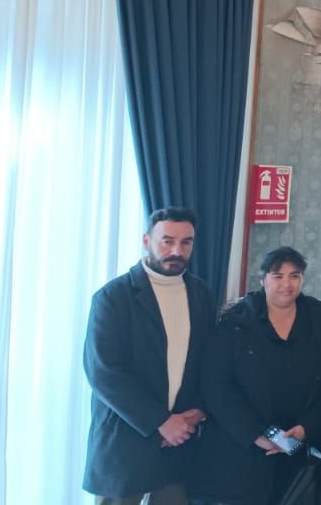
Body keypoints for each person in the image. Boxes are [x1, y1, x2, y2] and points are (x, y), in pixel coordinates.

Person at [83, 207, 216, 505]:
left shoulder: (202, 295)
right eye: (167, 241)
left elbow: (209, 361)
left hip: (180, 441)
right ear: (147, 241)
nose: (177, 251)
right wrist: (160, 421)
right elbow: (103, 372)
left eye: (186, 242)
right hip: (125, 440)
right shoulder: (113, 296)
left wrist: (199, 410)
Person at [198, 246, 321, 505]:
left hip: (301, 446)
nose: (287, 284)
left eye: (294, 276)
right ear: (262, 279)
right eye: (278, 276)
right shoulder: (235, 322)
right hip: (243, 451)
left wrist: (306, 428)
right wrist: (257, 434)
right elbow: (216, 387)